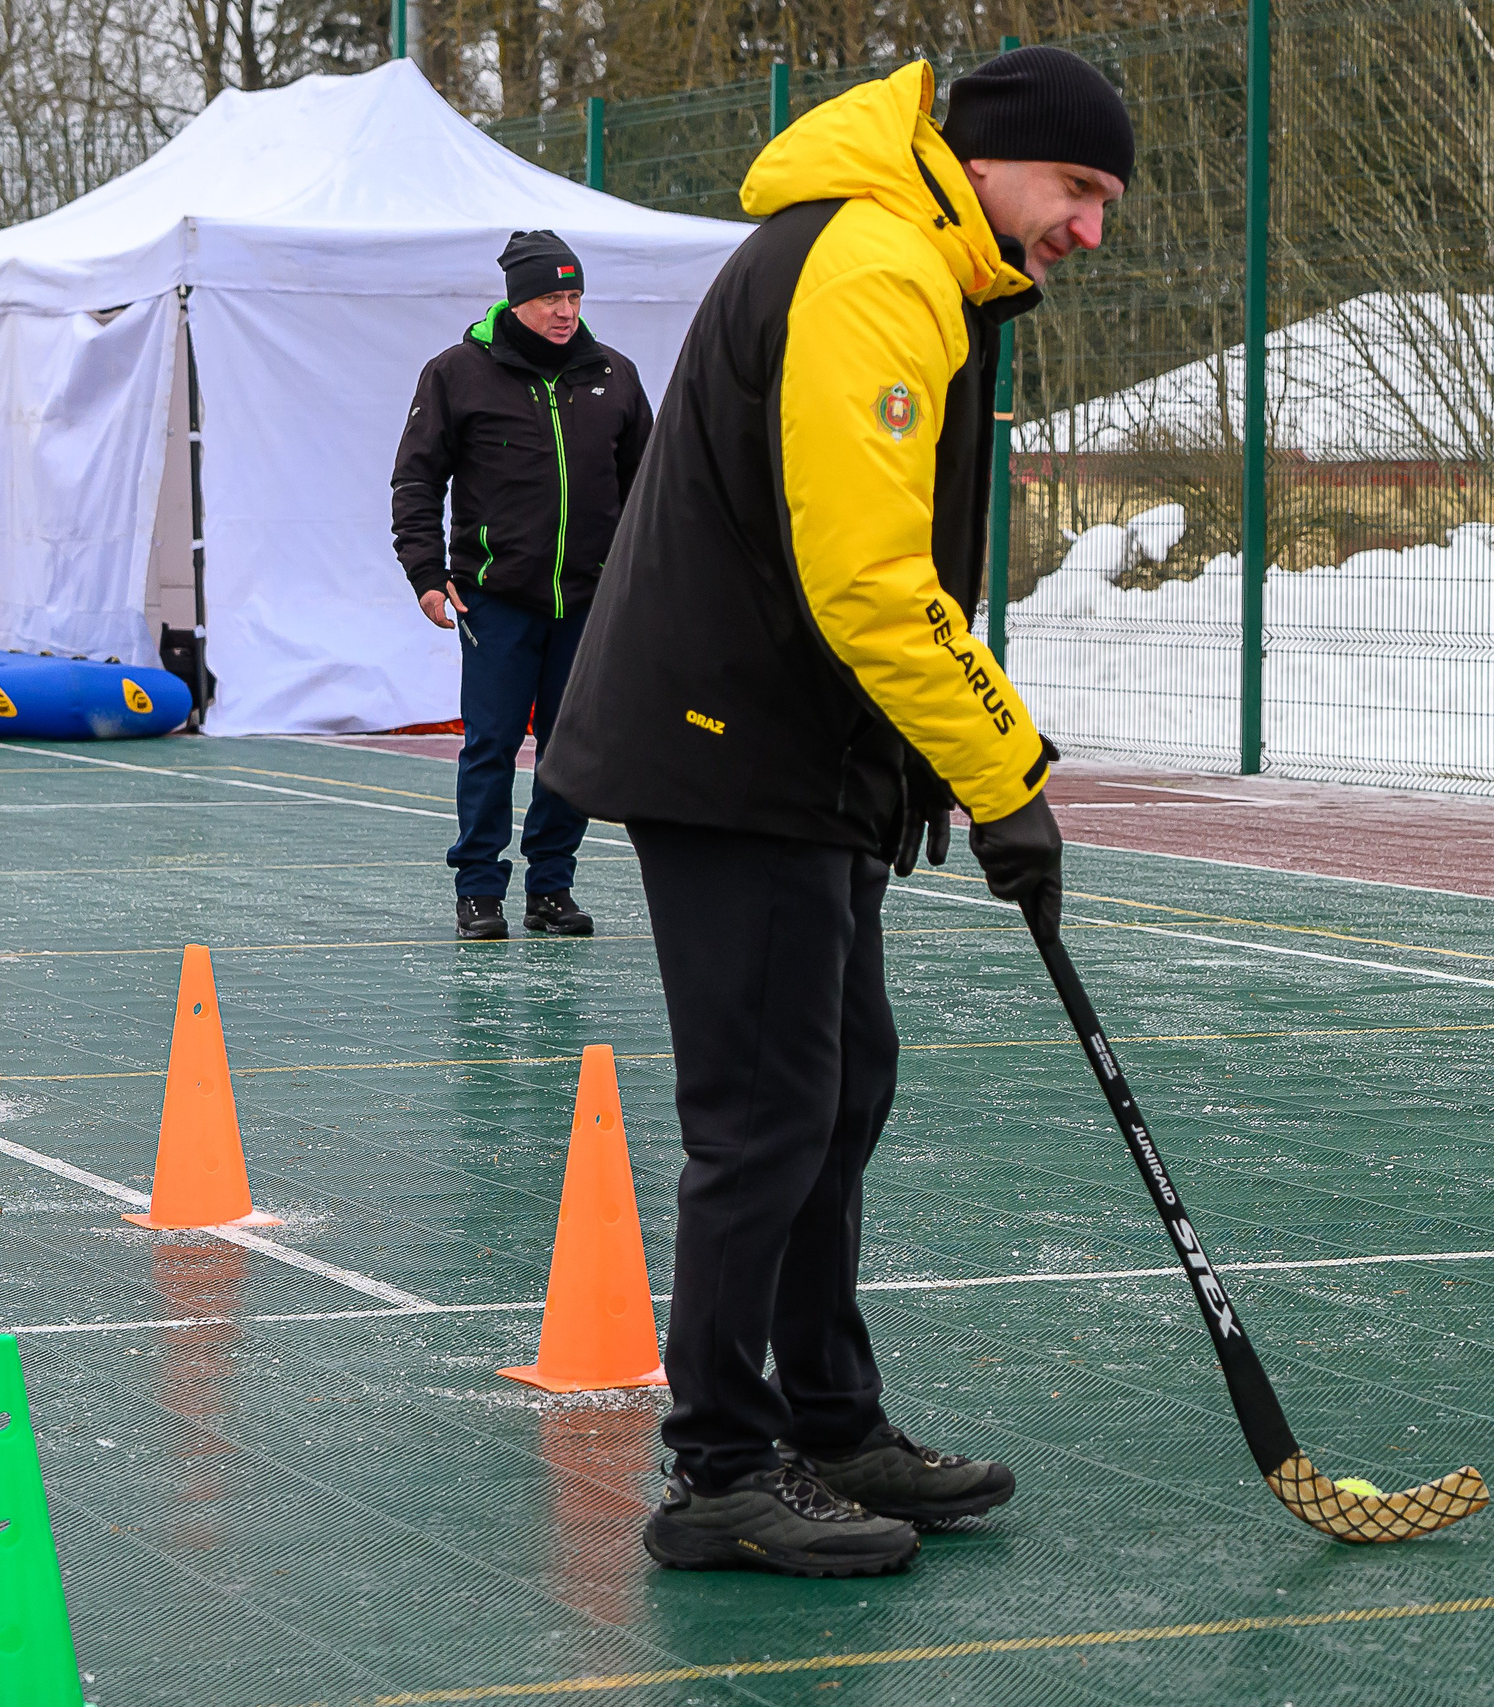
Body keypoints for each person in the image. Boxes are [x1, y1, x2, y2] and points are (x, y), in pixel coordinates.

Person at [539, 48, 1130, 1576]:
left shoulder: (912, 256)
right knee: (766, 1117)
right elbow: (867, 574)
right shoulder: (873, 260)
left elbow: (862, 568)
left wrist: (919, 761)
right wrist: (1007, 771)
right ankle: (721, 1469)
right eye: (1076, 190)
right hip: (728, 745)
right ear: (991, 159)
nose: (1089, 230)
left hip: (788, 749)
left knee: (840, 1087)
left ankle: (829, 1418)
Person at [390, 231, 652, 941]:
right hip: (495, 598)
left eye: (573, 297)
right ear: (518, 300)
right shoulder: (456, 374)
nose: (565, 311)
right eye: (550, 298)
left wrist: (642, 582)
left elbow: (649, 488)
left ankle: (551, 887)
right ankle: (478, 890)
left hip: (590, 602)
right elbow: (417, 478)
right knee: (492, 743)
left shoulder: (614, 377)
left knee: (571, 746)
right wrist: (425, 571)